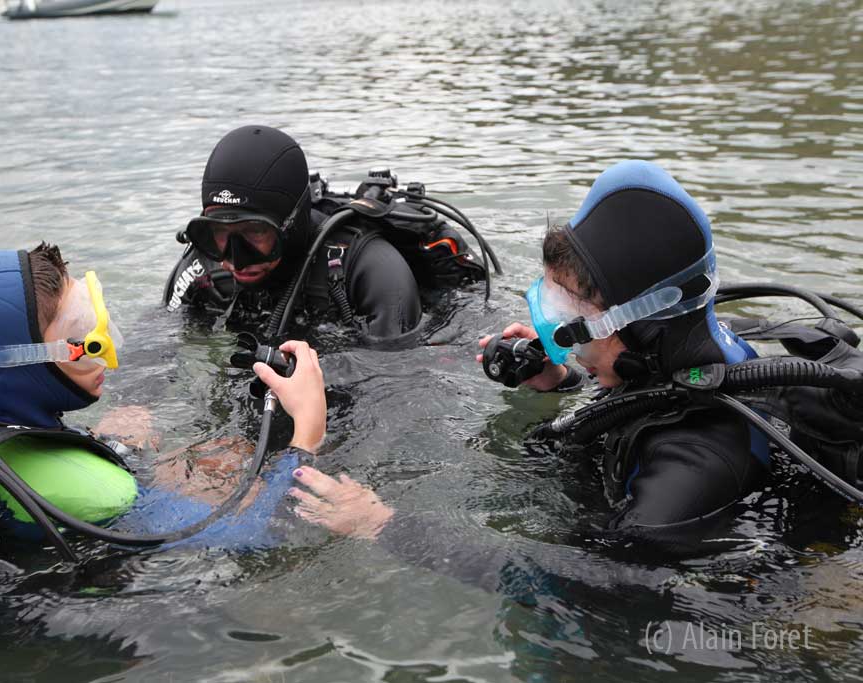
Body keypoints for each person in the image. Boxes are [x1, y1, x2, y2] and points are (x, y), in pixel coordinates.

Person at [287, 160, 778, 556]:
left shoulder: (693, 465)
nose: (561, 333)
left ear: (646, 322)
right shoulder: (677, 360)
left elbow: (590, 586)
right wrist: (561, 379)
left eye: (575, 314)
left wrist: (383, 525)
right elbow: (642, 400)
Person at [0, 244, 327, 552]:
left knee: (215, 457)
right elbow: (271, 535)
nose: (102, 350)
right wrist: (308, 426)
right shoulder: (97, 493)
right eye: (79, 334)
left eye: (92, 318)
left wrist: (111, 446)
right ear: (14, 362)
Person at [163, 125, 489, 344]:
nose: (236, 257)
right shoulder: (207, 260)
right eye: (220, 232)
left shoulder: (371, 269)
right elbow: (156, 344)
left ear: (292, 222)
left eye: (255, 231)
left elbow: (394, 385)